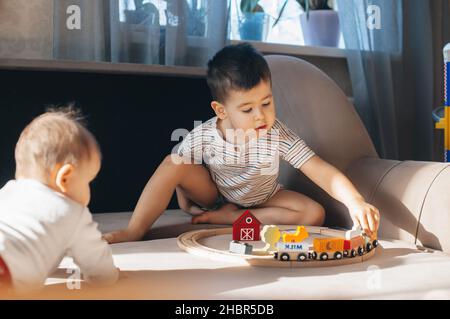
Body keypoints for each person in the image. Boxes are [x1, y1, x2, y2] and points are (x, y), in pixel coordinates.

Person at [104, 43, 380, 244]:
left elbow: (320, 170)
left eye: (267, 102)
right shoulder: (205, 135)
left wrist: (354, 201)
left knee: (313, 213)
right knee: (173, 161)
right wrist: (184, 199)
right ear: (222, 110)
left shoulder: (277, 133)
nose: (260, 115)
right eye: (247, 109)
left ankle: (231, 218)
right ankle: (135, 230)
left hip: (264, 198)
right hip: (215, 194)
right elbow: (177, 167)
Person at [0, 107, 119, 293]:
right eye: (88, 181)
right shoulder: (72, 212)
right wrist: (110, 277)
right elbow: (98, 266)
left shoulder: (8, 191)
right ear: (65, 178)